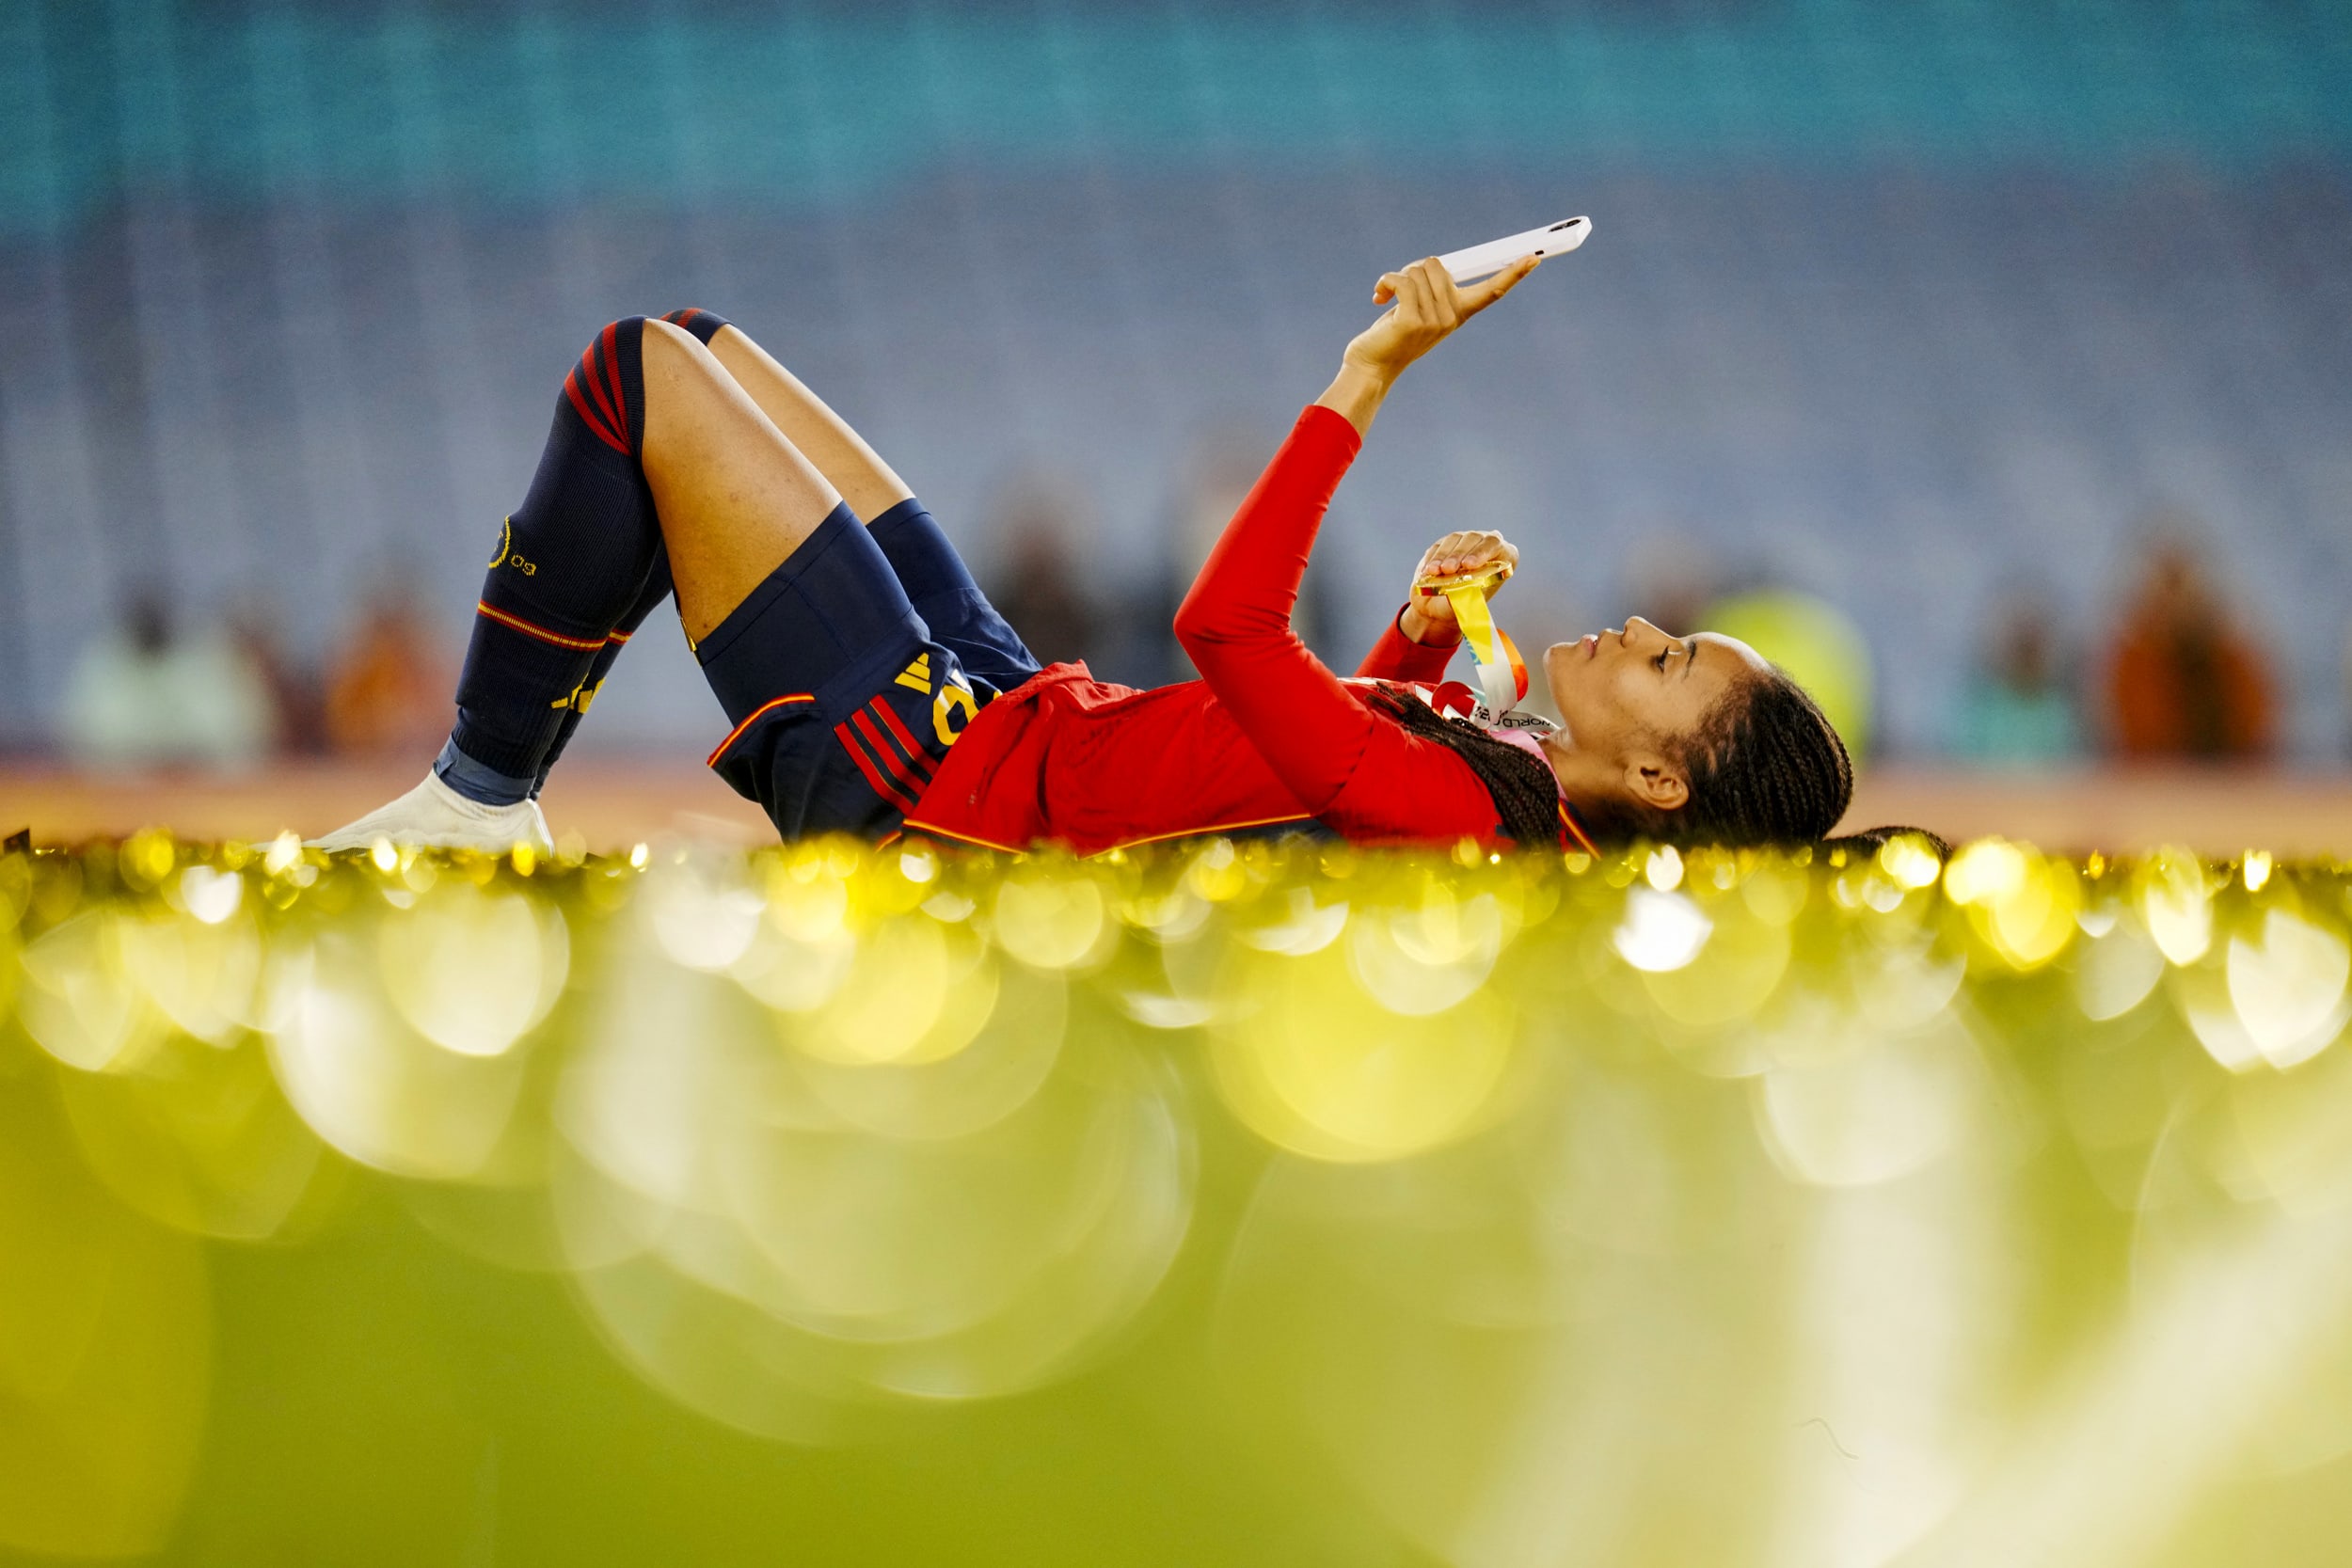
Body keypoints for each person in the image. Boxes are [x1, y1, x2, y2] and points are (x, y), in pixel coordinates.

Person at [317, 257, 1858, 857]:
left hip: (943, 787)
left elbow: (1231, 632)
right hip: (1015, 715)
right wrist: (1411, 644)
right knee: (707, 344)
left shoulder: (1478, 815)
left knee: (636, 373)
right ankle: (483, 795)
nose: (1648, 625)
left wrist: (1366, 377)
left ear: (1661, 778)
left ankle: (474, 800)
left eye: (1669, 665)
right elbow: (1312, 776)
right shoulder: (1502, 801)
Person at [2104, 537, 2276, 759]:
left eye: (2183, 592)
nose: (2176, 604)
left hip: (2227, 776)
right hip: (2160, 779)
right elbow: (2142, 734)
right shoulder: (2136, 659)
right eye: (2166, 593)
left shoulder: (2227, 658)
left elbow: (2251, 725)